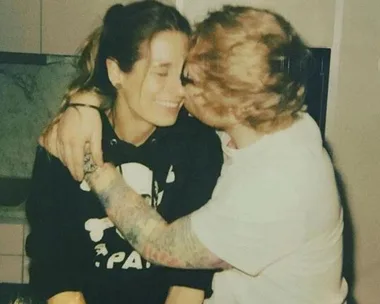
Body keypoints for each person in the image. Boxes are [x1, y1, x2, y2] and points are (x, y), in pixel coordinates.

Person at [40, 5, 349, 304]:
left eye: (189, 77)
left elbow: (160, 244)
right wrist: (83, 103)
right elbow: (51, 255)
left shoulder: (274, 183)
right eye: (168, 73)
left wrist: (90, 161)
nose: (180, 90)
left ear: (228, 101)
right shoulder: (280, 119)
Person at [25, 2, 224, 304]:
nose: (179, 90)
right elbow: (54, 267)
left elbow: (190, 277)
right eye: (161, 73)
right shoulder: (68, 141)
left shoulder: (198, 146)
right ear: (116, 71)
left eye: (182, 73)